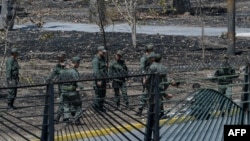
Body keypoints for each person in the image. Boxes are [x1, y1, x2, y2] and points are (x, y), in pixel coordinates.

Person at [146, 53, 173, 118]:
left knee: (152, 100)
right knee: (159, 99)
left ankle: (154, 115)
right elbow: (166, 78)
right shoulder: (163, 67)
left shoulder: (152, 67)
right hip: (161, 85)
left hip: (153, 85)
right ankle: (161, 114)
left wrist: (146, 83)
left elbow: (149, 77)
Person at [59, 56, 84, 124]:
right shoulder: (73, 71)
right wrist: (81, 87)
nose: (79, 65)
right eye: (78, 63)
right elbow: (77, 80)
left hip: (64, 91)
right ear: (76, 63)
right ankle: (77, 119)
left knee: (66, 105)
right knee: (78, 104)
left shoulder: (63, 71)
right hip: (72, 91)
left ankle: (66, 118)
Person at [46, 52, 66, 123]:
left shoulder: (67, 65)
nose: (59, 58)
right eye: (58, 57)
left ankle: (58, 117)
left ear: (64, 57)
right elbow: (53, 73)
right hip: (60, 85)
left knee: (63, 101)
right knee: (63, 100)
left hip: (67, 85)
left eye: (60, 57)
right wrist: (48, 79)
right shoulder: (57, 66)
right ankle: (65, 116)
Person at [136, 52, 156, 116]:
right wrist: (145, 79)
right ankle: (140, 109)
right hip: (149, 83)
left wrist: (146, 79)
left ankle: (158, 112)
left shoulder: (154, 65)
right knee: (145, 95)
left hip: (153, 83)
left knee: (154, 97)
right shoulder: (149, 65)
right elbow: (146, 73)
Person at [92, 46, 108, 112]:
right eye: (103, 52)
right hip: (99, 79)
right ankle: (96, 107)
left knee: (103, 93)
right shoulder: (96, 60)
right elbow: (96, 71)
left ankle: (101, 106)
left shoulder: (103, 59)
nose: (104, 53)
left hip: (103, 78)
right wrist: (98, 80)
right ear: (99, 51)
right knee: (98, 94)